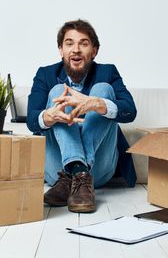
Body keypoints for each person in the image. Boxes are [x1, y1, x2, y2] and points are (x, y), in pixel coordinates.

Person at [26, 19, 137, 213]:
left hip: (99, 170)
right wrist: (49, 116)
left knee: (103, 90)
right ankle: (77, 171)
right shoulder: (45, 74)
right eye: (69, 43)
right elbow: (31, 120)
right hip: (56, 170)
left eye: (83, 43)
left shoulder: (107, 72)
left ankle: (79, 172)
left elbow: (130, 111)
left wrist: (96, 104)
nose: (76, 49)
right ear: (61, 50)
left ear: (94, 51)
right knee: (58, 91)